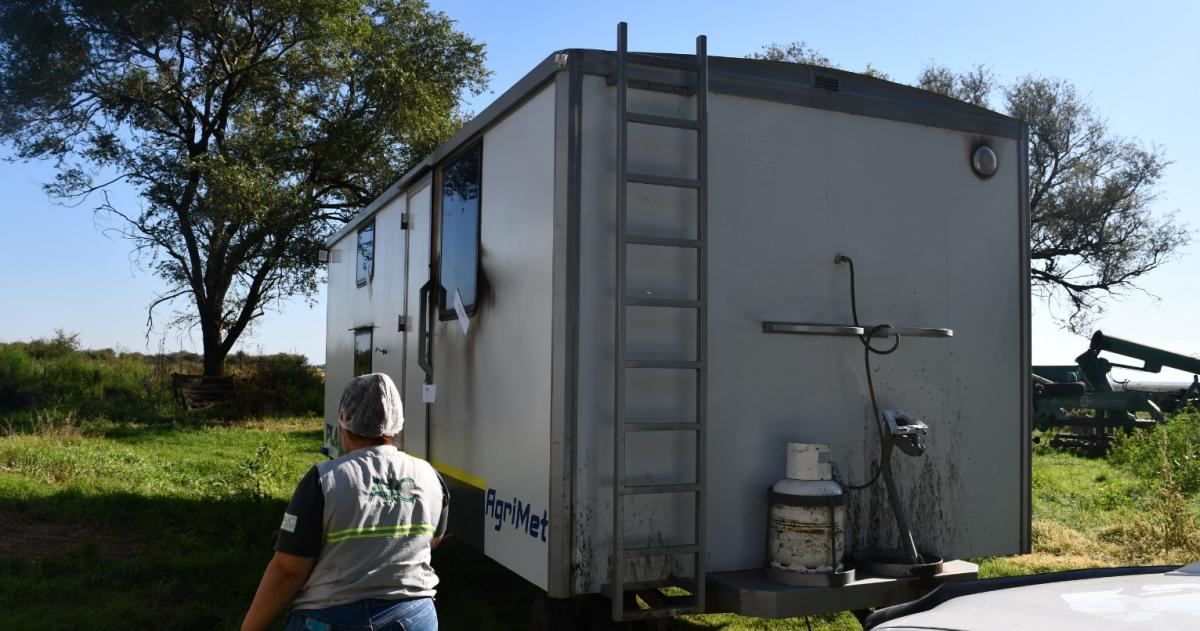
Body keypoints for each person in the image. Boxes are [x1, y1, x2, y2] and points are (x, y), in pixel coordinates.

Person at [242, 373, 449, 631]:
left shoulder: (324, 480)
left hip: (330, 617)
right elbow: (433, 540)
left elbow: (288, 570)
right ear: (396, 423)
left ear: (345, 422)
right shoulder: (429, 475)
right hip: (413, 616)